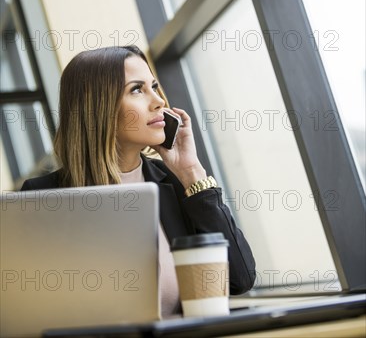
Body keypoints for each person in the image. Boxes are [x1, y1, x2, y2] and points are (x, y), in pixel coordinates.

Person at [21, 45, 256, 316]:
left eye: (154, 87)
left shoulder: (178, 182)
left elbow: (240, 279)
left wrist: (191, 171)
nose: (158, 101)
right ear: (99, 108)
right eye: (137, 89)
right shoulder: (43, 196)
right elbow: (39, 311)